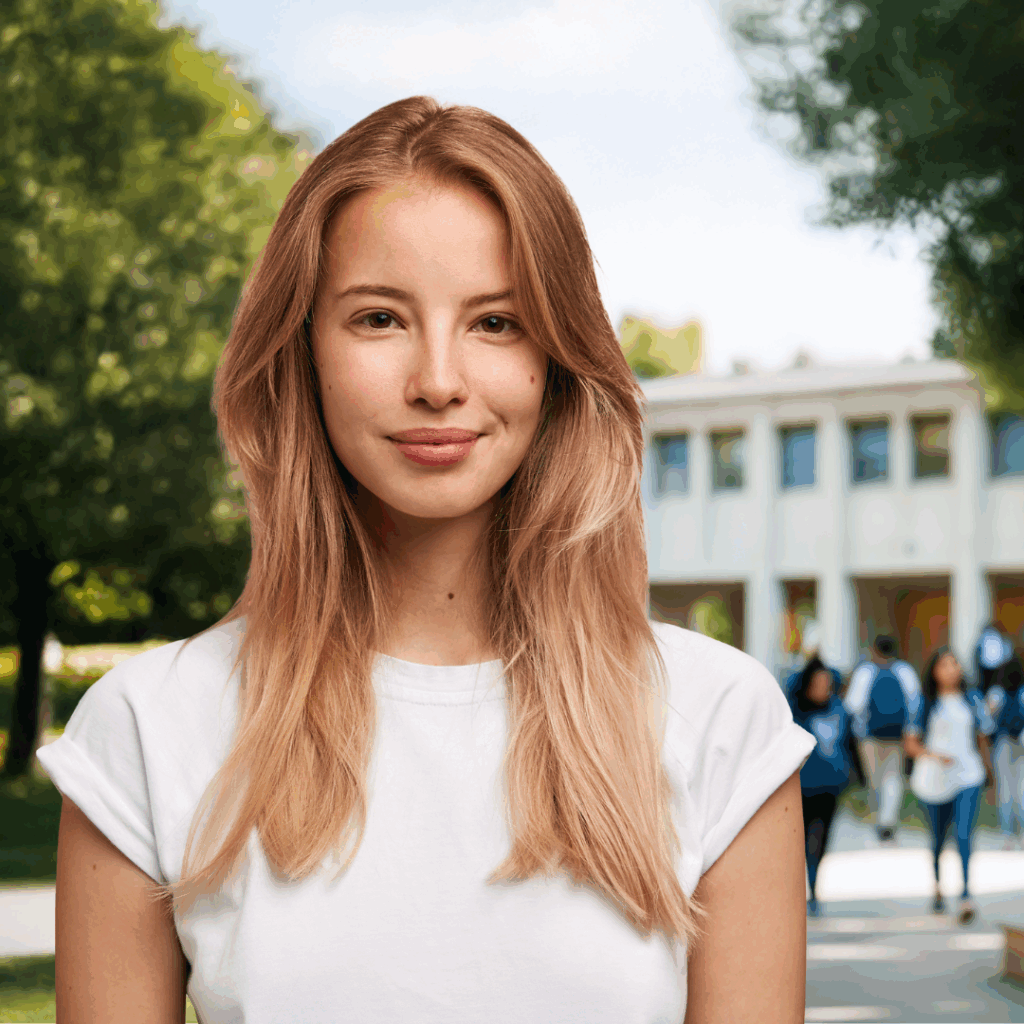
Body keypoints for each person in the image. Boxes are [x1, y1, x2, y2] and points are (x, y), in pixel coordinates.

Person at [38, 97, 816, 1023]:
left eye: (496, 323)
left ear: (559, 361)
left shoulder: (721, 720)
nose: (439, 381)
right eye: (378, 318)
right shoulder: (145, 731)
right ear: (302, 353)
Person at [903, 647, 995, 924]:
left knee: (965, 834)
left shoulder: (972, 699)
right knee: (937, 838)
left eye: (954, 664)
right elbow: (910, 744)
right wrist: (933, 756)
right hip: (934, 778)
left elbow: (982, 737)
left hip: (968, 775)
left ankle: (966, 894)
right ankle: (938, 886)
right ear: (933, 671)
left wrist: (989, 772)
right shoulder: (925, 703)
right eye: (944, 665)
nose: (951, 670)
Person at [789, 655, 863, 918]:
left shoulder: (840, 709)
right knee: (797, 840)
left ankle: (813, 887)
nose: (823, 689)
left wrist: (859, 777)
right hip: (800, 786)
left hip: (830, 785)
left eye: (827, 684)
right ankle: (798, 889)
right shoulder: (793, 711)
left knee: (820, 839)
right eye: (818, 683)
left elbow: (850, 744)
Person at [843, 634, 922, 843]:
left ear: (874, 649)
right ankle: (889, 821)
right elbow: (915, 703)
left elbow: (853, 705)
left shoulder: (865, 672)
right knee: (894, 776)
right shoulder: (905, 671)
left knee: (875, 779)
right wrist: (912, 731)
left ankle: (879, 820)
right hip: (898, 735)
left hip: (869, 736)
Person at [984, 650, 1024, 849]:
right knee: (1021, 787)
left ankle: (1007, 834)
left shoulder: (996, 693)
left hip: (1003, 742)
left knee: (1005, 789)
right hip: (1022, 742)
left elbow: (985, 718)